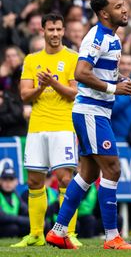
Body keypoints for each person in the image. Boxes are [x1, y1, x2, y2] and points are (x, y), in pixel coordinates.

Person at [46, 0, 131, 250]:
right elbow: (81, 73)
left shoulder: (112, 37)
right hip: (91, 112)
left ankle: (58, 231)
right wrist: (112, 89)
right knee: (113, 170)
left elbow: (97, 72)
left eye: (123, 4)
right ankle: (111, 237)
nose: (125, 9)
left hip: (96, 111)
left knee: (87, 173)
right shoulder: (96, 37)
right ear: (104, 13)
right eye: (118, 6)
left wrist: (116, 80)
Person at [12, 13, 79, 248]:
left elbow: (73, 92)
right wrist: (41, 86)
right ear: (42, 31)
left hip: (62, 125)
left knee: (64, 179)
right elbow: (24, 95)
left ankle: (68, 233)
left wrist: (53, 83)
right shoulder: (31, 59)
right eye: (51, 30)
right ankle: (36, 233)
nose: (55, 34)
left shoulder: (72, 57)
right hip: (37, 126)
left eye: (59, 29)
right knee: (33, 181)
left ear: (63, 31)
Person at [0, 168, 28, 238]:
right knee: (13, 228)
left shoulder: (15, 195)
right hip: (3, 225)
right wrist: (27, 221)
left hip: (11, 224)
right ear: (0, 181)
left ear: (16, 182)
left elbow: (26, 211)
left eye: (11, 179)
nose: (8, 182)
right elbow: (2, 217)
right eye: (5, 179)